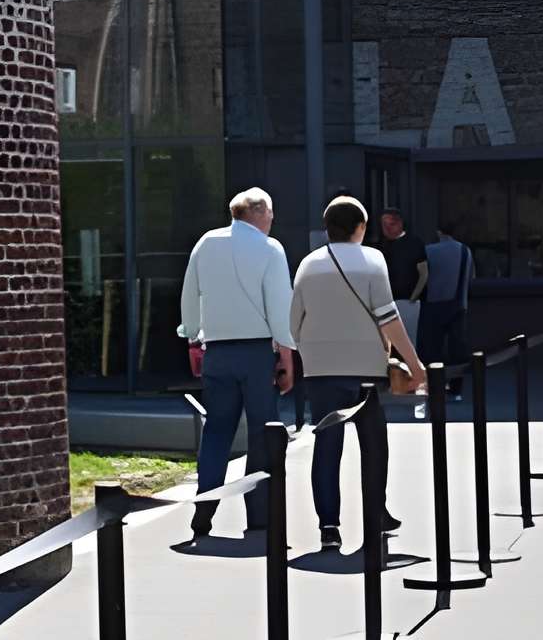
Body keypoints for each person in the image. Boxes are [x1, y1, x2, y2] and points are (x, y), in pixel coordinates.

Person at [290, 194, 427, 556]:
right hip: (365, 369)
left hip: (320, 370)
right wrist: (414, 365)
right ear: (361, 227)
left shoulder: (307, 265)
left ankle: (329, 527)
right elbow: (389, 318)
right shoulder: (373, 260)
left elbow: (293, 324)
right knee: (373, 444)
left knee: (326, 446)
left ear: (327, 227)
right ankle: (374, 515)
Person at [176, 188, 297, 540]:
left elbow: (190, 294)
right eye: (271, 213)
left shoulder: (205, 243)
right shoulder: (270, 249)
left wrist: (193, 335)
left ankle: (205, 507)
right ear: (260, 213)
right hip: (257, 353)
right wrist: (286, 355)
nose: (272, 220)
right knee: (262, 434)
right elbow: (279, 306)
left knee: (216, 432)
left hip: (217, 351)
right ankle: (258, 516)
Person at [418, 214, 474, 374]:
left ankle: (434, 383)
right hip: (458, 304)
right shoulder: (465, 251)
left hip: (432, 304)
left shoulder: (428, 251)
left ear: (439, 232)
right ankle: (456, 388)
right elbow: (470, 278)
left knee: (432, 348)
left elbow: (421, 276)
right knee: (457, 348)